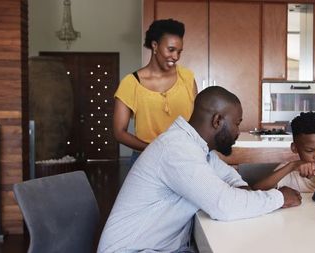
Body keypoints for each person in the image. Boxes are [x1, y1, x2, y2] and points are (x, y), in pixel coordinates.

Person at [97, 86, 302, 253]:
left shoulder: (198, 150)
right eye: (237, 124)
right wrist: (279, 197)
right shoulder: (177, 150)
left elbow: (235, 182)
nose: (238, 132)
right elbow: (225, 206)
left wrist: (243, 194)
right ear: (217, 121)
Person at [113, 18, 198, 165]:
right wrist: (155, 149)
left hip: (184, 158)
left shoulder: (187, 77)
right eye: (171, 50)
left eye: (179, 51)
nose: (176, 57)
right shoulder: (131, 83)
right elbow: (119, 132)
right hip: (146, 159)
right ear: (155, 46)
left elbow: (197, 120)